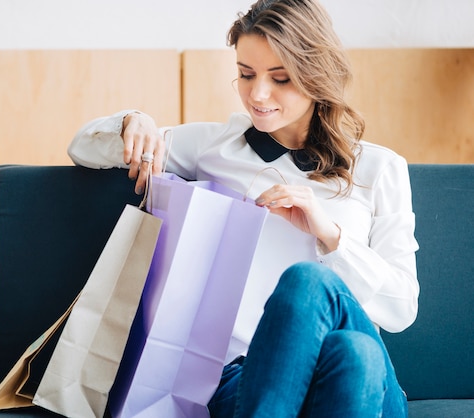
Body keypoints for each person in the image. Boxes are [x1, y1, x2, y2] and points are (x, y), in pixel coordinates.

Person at [68, 0, 419, 416]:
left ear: (316, 75)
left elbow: (401, 308)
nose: (258, 94)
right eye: (246, 74)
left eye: (281, 78)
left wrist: (329, 235)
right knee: (353, 350)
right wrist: (133, 120)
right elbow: (83, 148)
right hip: (243, 375)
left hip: (367, 387)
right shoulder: (216, 146)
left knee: (332, 318)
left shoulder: (380, 169)